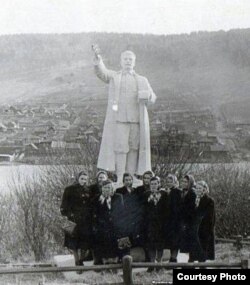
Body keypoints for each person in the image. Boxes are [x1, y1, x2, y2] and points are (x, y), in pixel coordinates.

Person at [92, 45, 156, 183]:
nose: (128, 61)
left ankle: (131, 176)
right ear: (121, 62)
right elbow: (102, 73)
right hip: (119, 119)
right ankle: (120, 176)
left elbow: (153, 97)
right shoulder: (115, 76)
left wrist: (148, 95)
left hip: (136, 120)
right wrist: (98, 60)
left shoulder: (142, 80)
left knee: (134, 147)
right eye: (125, 59)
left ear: (134, 62)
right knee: (120, 148)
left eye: (130, 59)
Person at [60, 171, 92, 267]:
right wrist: (70, 214)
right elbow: (64, 206)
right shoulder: (69, 189)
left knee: (84, 243)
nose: (84, 181)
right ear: (78, 178)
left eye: (86, 179)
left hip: (85, 221)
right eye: (82, 179)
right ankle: (76, 260)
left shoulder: (88, 190)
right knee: (73, 242)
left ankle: (81, 260)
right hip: (74, 220)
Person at [92, 180, 124, 264]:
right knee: (102, 243)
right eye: (105, 187)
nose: (107, 189)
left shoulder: (118, 197)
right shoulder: (97, 198)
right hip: (102, 226)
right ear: (102, 189)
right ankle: (103, 262)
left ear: (112, 188)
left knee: (115, 244)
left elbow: (120, 211)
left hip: (115, 226)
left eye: (109, 187)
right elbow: (94, 213)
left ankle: (116, 261)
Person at [144, 176, 168, 271]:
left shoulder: (164, 194)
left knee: (160, 244)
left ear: (159, 184)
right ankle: (151, 263)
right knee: (151, 244)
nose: (153, 186)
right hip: (150, 224)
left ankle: (159, 263)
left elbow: (167, 209)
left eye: (155, 184)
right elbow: (144, 209)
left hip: (161, 223)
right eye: (152, 184)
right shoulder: (146, 194)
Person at [179, 174, 205, 262]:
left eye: (186, 182)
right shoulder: (183, 192)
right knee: (190, 241)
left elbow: (192, 209)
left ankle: (200, 260)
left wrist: (186, 220)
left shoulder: (192, 193)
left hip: (191, 221)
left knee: (195, 241)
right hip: (186, 220)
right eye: (183, 181)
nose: (184, 183)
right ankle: (192, 259)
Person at [116, 173, 145, 250]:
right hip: (124, 217)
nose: (128, 182)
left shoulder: (135, 190)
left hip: (134, 217)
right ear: (123, 181)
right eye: (126, 180)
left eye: (130, 180)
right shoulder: (119, 191)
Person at [195, 180, 216, 261]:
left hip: (204, 230)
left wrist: (208, 231)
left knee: (203, 254)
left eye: (200, 188)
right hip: (195, 229)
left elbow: (210, 218)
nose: (198, 190)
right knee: (196, 254)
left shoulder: (209, 201)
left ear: (204, 189)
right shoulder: (195, 199)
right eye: (196, 188)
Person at [164, 174, 182, 263]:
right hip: (168, 220)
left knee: (175, 241)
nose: (169, 183)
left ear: (175, 182)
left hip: (176, 220)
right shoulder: (165, 192)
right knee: (170, 241)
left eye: (171, 182)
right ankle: (171, 257)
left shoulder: (178, 192)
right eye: (167, 182)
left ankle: (174, 258)